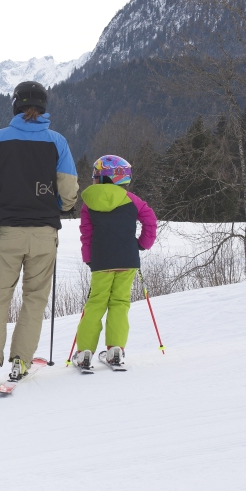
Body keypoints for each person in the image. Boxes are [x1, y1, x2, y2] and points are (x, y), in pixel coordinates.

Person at [0, 81, 78, 387]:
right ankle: (21, 360)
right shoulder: (57, 142)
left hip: (8, 231)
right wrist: (59, 206)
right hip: (44, 231)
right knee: (35, 298)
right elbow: (69, 191)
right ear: (43, 106)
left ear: (15, 105)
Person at [73, 155, 158, 369]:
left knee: (96, 304)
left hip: (101, 260)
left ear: (102, 178)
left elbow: (87, 233)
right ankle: (115, 351)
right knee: (120, 303)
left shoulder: (88, 203)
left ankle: (84, 353)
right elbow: (150, 219)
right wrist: (143, 244)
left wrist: (88, 256)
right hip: (128, 258)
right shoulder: (132, 200)